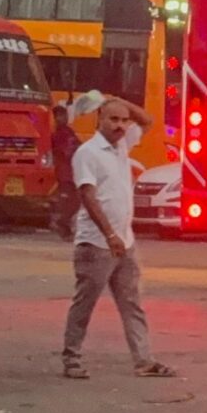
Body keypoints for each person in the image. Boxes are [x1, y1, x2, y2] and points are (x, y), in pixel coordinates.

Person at [64, 98, 176, 379]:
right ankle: (72, 358)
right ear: (100, 120)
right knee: (85, 303)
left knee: (132, 303)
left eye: (124, 121)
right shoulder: (88, 153)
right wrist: (109, 234)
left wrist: (114, 99)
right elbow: (88, 196)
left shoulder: (122, 147)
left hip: (125, 241)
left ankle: (144, 360)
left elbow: (147, 120)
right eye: (113, 119)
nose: (120, 126)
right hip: (96, 244)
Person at [47, 104, 80, 240]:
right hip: (65, 173)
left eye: (64, 115)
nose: (62, 118)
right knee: (71, 201)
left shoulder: (68, 131)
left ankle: (63, 224)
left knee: (74, 201)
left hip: (72, 172)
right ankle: (62, 225)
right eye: (59, 116)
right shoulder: (58, 134)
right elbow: (67, 151)